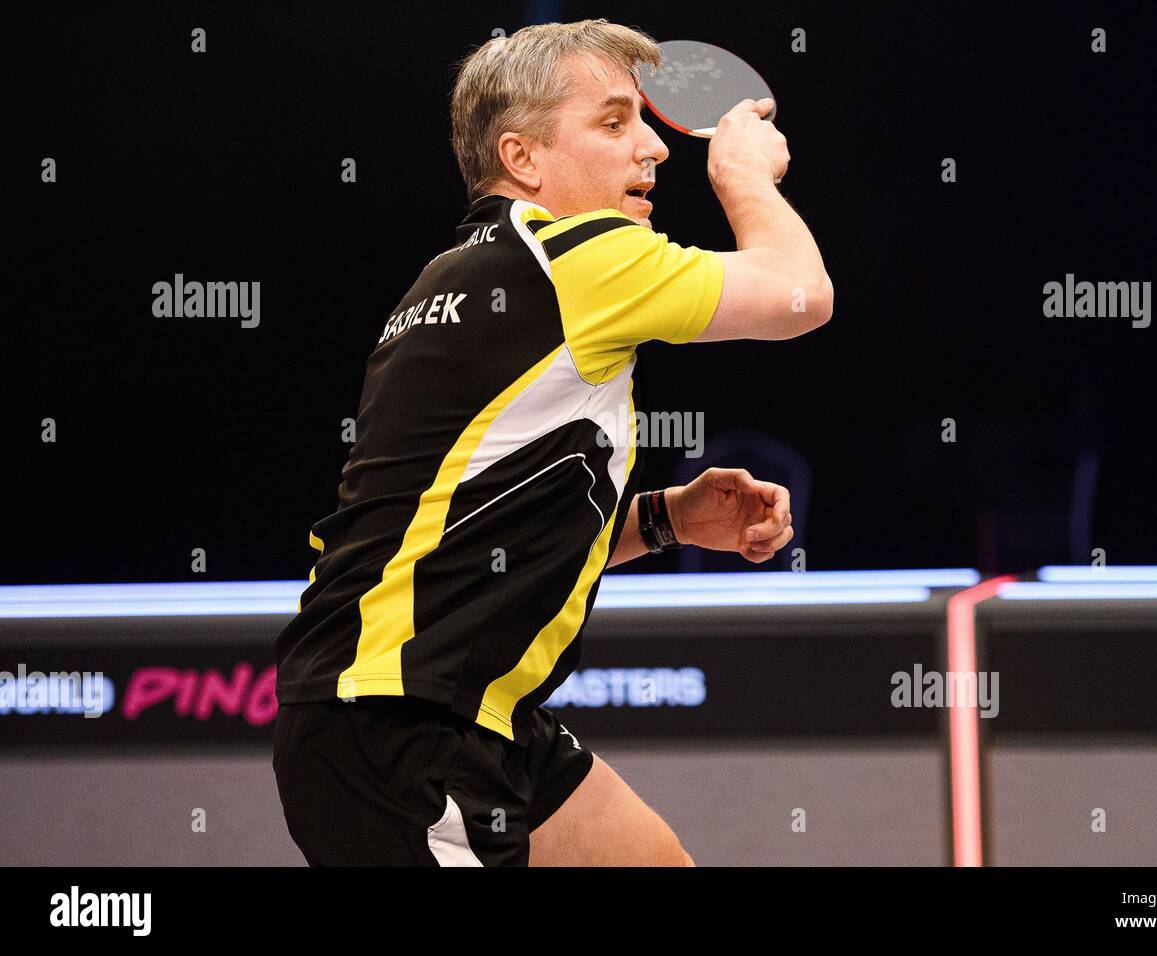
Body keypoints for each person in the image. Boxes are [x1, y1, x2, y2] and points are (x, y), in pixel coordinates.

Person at [272, 19, 833, 866]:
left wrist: (668, 519)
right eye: (614, 123)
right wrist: (743, 174)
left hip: (462, 712)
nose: (654, 147)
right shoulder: (570, 258)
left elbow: (467, 535)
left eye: (644, 119)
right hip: (401, 728)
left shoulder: (457, 278)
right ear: (523, 159)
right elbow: (801, 295)